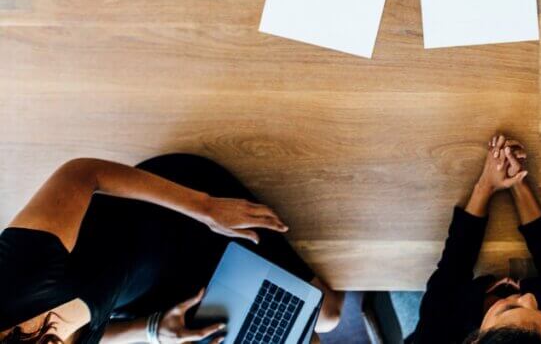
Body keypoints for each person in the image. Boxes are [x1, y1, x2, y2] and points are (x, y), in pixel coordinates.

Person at [0, 154, 341, 344]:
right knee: (303, 332)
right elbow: (94, 337)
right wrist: (151, 329)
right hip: (161, 297)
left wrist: (205, 206)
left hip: (181, 217)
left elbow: (82, 173)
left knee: (326, 314)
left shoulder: (13, 282)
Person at [411, 134, 541, 343]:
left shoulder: (433, 337)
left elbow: (452, 270)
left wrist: (486, 185)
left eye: (510, 308)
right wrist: (517, 182)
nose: (529, 297)